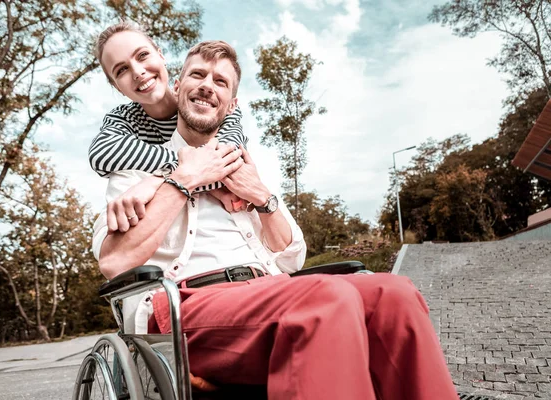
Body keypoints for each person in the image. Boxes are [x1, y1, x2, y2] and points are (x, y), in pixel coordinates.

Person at [92, 38, 458, 400]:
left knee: (395, 295)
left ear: (231, 104)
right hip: (189, 303)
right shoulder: (134, 173)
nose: (207, 86)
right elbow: (114, 261)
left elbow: (292, 257)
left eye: (220, 82)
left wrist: (262, 198)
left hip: (269, 288)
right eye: (197, 75)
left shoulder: (241, 168)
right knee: (325, 299)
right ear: (178, 85)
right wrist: (181, 180)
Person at [90, 21, 248, 234]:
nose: (138, 72)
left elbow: (228, 162)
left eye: (143, 55)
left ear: (160, 55)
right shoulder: (123, 119)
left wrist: (153, 179)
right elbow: (101, 154)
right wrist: (186, 174)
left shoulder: (210, 107)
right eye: (121, 70)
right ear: (116, 86)